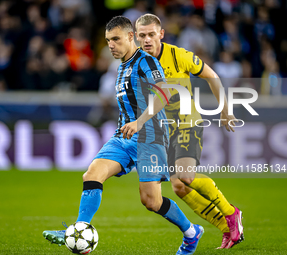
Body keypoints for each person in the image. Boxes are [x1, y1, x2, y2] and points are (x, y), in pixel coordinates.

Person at [43, 16, 204, 254]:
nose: (110, 45)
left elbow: (163, 96)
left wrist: (139, 122)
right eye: (108, 40)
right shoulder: (121, 67)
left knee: (151, 201)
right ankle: (79, 230)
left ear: (131, 36)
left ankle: (191, 233)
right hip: (124, 138)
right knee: (92, 173)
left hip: (151, 137)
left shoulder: (145, 61)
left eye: (116, 39)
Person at [134, 14, 244, 249]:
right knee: (179, 187)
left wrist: (225, 110)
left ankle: (231, 213)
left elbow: (212, 76)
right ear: (135, 37)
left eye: (151, 34)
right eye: (142, 35)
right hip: (163, 131)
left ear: (161, 34)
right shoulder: (137, 63)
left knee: (185, 176)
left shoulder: (178, 55)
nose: (146, 40)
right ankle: (226, 229)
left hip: (187, 123)